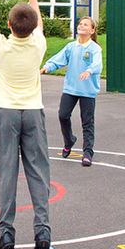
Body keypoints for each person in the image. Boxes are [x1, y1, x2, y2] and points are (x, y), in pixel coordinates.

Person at [0, 0, 51, 249]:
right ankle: (42, 232)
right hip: (33, 112)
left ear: (9, 25)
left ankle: (6, 234)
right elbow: (38, 23)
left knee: (7, 173)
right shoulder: (39, 45)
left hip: (7, 112)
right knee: (38, 173)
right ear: (32, 28)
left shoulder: (1, 46)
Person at [41, 16, 102, 166]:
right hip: (71, 89)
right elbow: (59, 59)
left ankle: (88, 153)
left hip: (87, 91)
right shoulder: (71, 47)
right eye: (80, 24)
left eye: (85, 24)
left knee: (87, 122)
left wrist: (89, 71)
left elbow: (97, 64)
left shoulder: (95, 49)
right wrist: (47, 67)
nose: (81, 26)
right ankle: (69, 140)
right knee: (63, 115)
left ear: (92, 30)